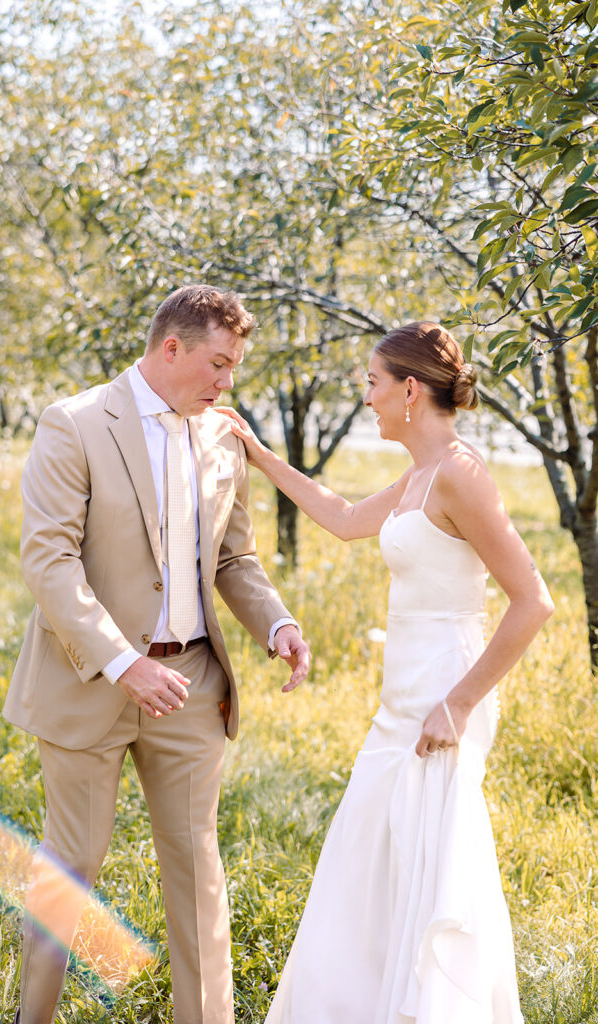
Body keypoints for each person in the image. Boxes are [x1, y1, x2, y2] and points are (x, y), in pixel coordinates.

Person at [219, 321, 554, 1024]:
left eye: (371, 383)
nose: (364, 398)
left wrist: (458, 705)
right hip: (400, 696)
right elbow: (340, 518)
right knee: (373, 854)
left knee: (432, 864)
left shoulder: (461, 474)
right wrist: (256, 455)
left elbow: (533, 602)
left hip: (442, 695)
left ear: (408, 390)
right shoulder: (420, 475)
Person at [3, 284, 311, 1024]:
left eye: (233, 365)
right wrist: (122, 662)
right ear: (170, 348)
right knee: (71, 865)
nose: (226, 380)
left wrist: (277, 625)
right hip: (89, 680)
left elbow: (233, 560)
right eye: (218, 362)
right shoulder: (73, 423)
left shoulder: (221, 437)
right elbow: (49, 562)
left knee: (198, 868)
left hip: (194, 684)